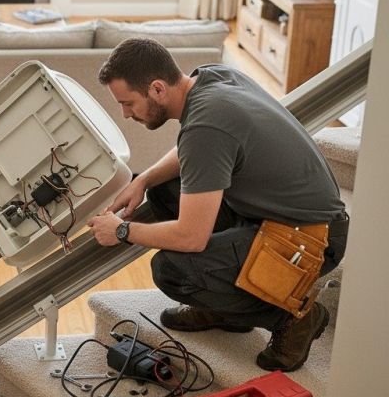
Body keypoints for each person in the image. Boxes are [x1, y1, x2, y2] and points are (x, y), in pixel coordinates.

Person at [88, 38, 348, 373]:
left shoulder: (206, 124)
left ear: (156, 88)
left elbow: (191, 238)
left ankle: (294, 318)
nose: (126, 114)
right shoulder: (213, 78)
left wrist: (122, 230)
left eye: (128, 103)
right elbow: (193, 151)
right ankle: (225, 305)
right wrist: (143, 179)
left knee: (172, 271)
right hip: (277, 218)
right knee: (165, 191)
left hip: (310, 242)